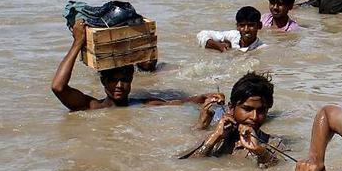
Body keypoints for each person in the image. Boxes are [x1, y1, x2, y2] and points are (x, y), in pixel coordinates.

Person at [52, 20, 220, 112]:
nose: (119, 85)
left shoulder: (141, 104)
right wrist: (77, 43)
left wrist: (205, 98)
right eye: (113, 80)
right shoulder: (91, 106)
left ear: (132, 79)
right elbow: (58, 87)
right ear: (103, 81)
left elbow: (179, 102)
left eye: (125, 79)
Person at [180, 72, 282, 167]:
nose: (254, 117)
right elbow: (186, 165)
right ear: (231, 108)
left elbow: (277, 169)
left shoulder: (275, 144)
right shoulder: (216, 137)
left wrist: (260, 151)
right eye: (247, 109)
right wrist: (215, 136)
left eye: (261, 111)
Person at [196, 6, 265, 53]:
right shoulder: (233, 36)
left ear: (259, 26)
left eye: (251, 25)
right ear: (237, 26)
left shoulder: (262, 49)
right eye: (242, 25)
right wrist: (218, 46)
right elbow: (201, 34)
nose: (246, 30)